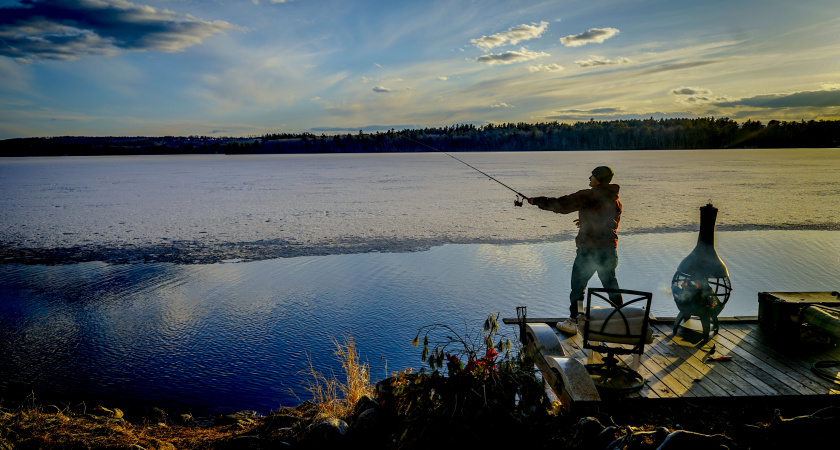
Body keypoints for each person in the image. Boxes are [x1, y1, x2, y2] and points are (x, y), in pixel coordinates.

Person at [527, 166, 622, 335]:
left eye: (592, 176)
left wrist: (537, 201)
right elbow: (611, 222)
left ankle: (574, 320)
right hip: (608, 249)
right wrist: (585, 221)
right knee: (610, 284)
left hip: (589, 251)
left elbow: (561, 205)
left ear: (598, 179)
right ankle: (622, 318)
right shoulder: (615, 200)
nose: (589, 178)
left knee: (578, 287)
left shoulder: (587, 195)